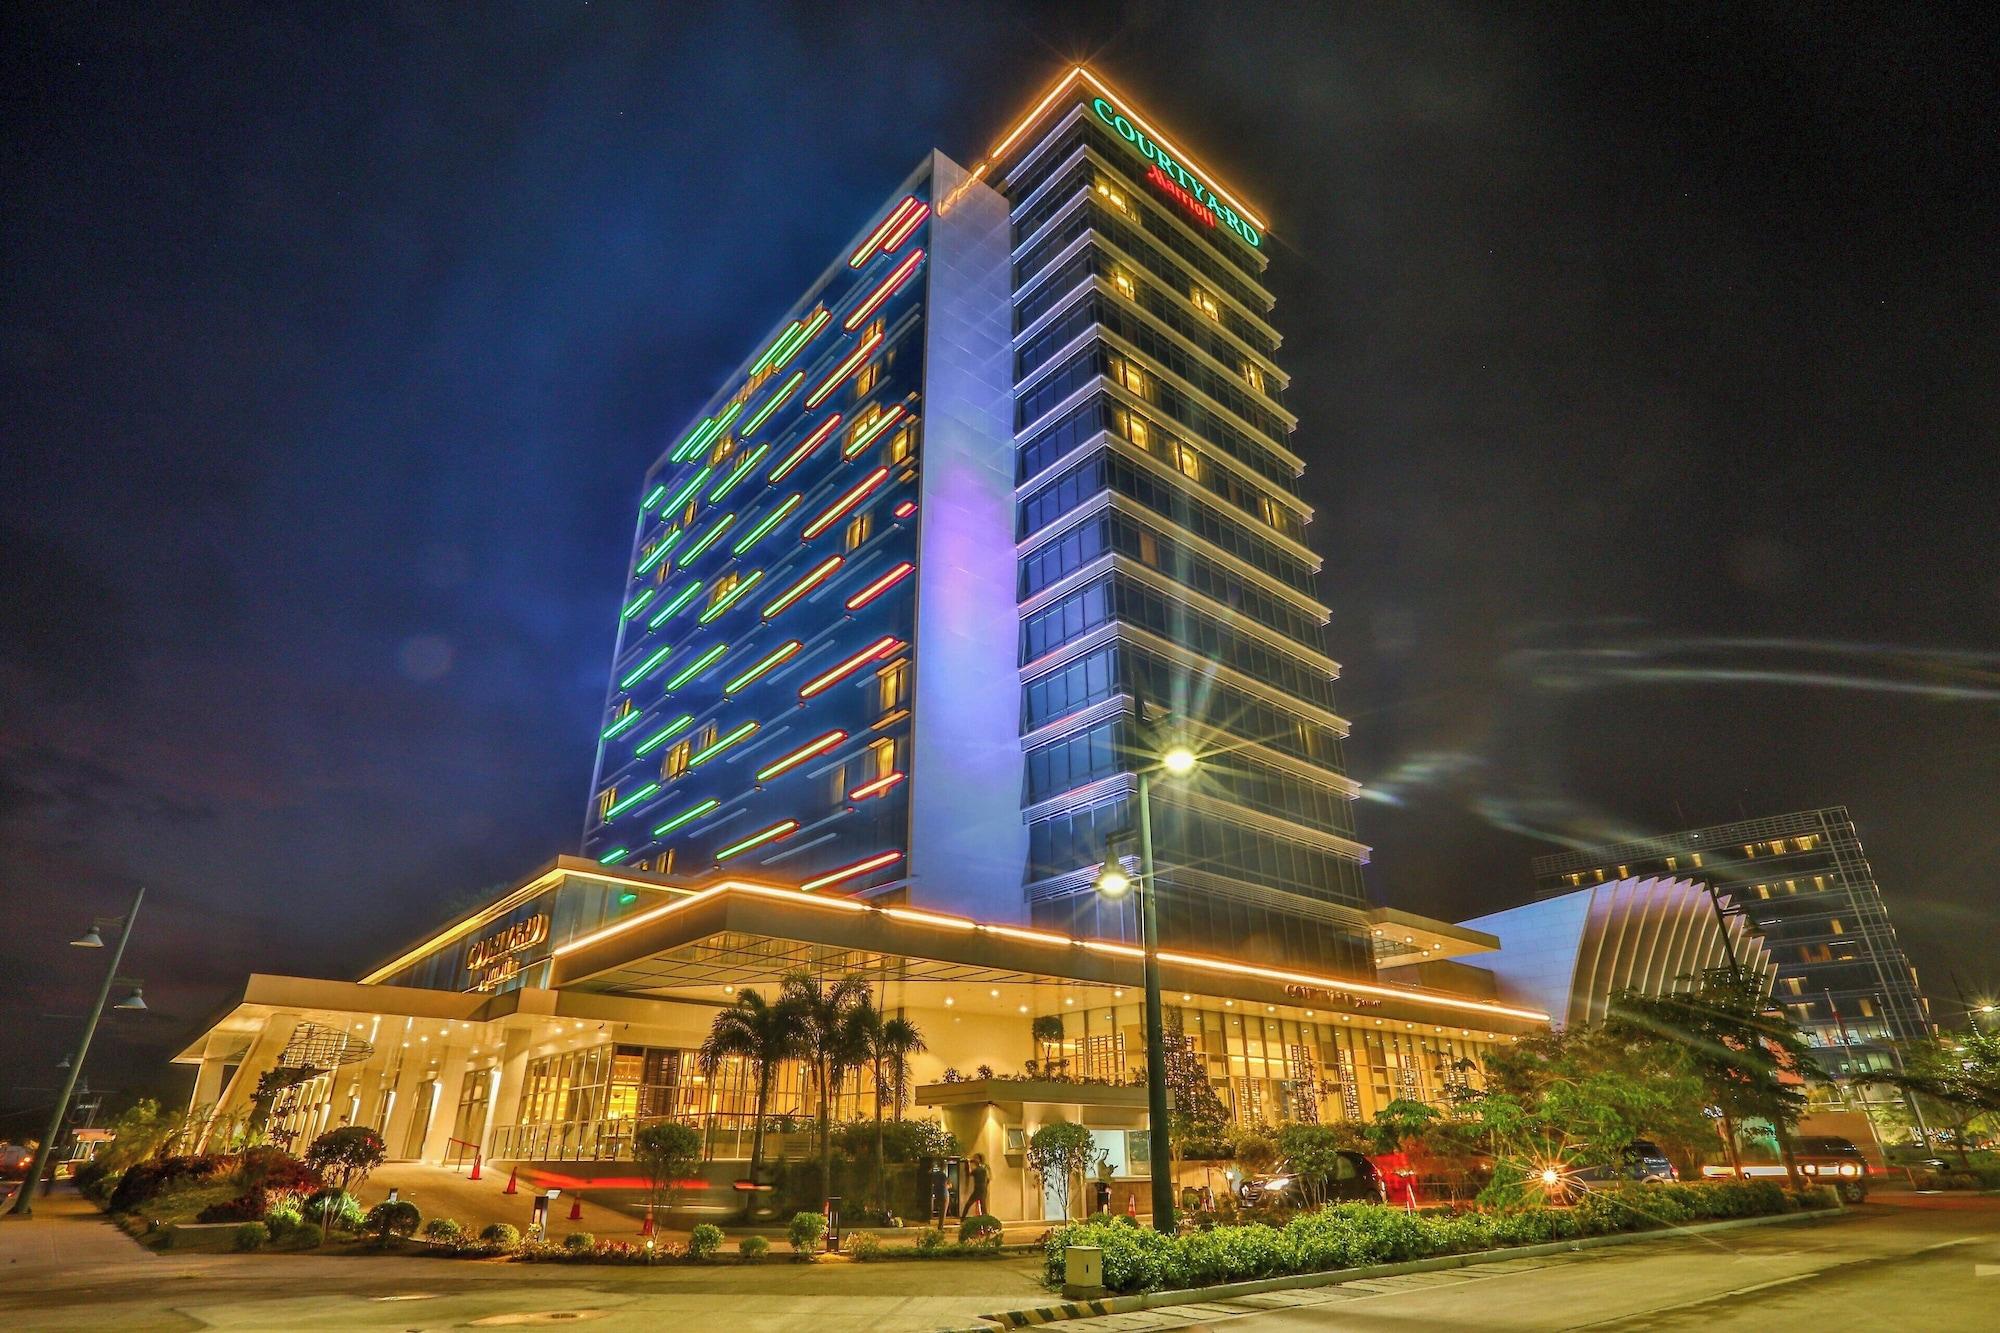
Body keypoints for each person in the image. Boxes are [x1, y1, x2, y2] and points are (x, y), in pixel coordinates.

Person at [965, 1153, 991, 1217]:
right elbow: (989, 1178)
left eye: (976, 1158)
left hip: (978, 1190)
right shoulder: (984, 1167)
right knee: (983, 1206)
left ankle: (962, 1219)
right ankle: (985, 1220)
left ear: (979, 1159)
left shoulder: (979, 1169)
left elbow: (970, 1173)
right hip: (982, 1189)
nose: (974, 1159)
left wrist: (968, 1163)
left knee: (969, 1204)